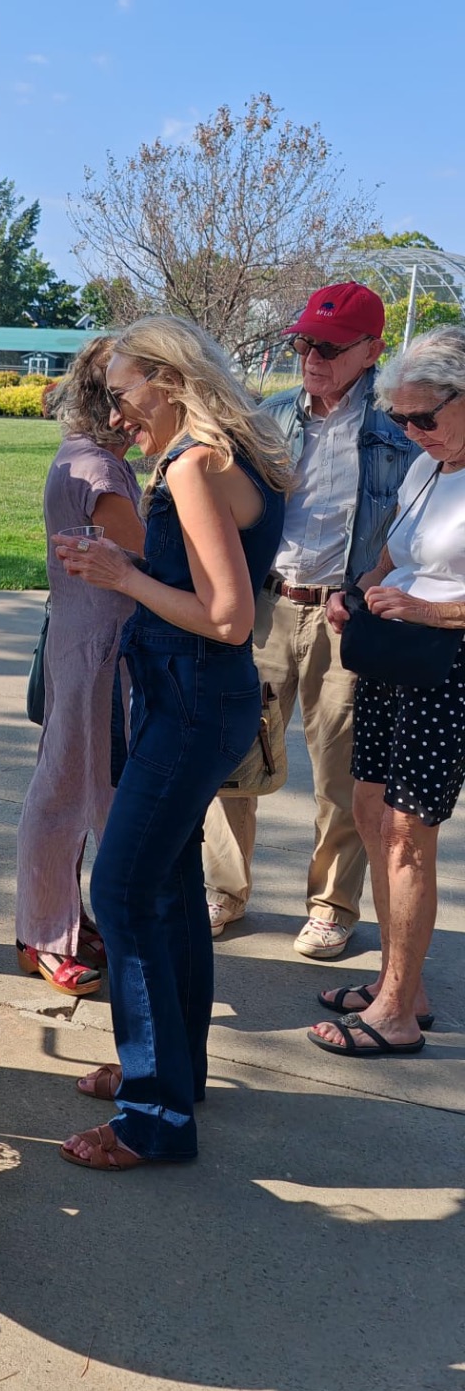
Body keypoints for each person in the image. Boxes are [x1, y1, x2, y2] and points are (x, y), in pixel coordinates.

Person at [50, 317, 291, 1171]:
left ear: (166, 375)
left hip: (191, 696)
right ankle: (171, 1072)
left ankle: (153, 1116)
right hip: (196, 700)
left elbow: (228, 619)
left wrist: (123, 575)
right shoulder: (239, 451)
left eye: (123, 395)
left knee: (118, 892)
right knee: (169, 883)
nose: (118, 417)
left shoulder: (194, 463)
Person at [203, 283, 415, 958]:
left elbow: (412, 530)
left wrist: (370, 590)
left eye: (327, 346)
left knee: (340, 772)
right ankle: (224, 891)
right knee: (234, 754)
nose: (310, 357)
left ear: (372, 351)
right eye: (301, 342)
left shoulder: (396, 430)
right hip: (265, 604)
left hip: (343, 617)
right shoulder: (267, 417)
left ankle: (332, 905)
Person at [309, 328, 465, 1058]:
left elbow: (438, 592)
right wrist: (361, 591)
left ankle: (397, 1014)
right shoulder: (431, 466)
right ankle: (401, 984)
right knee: (371, 812)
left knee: (408, 835)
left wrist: (430, 610)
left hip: (444, 668)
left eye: (424, 418)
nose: (410, 432)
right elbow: (395, 551)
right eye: (401, 419)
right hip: (393, 656)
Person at [15, 337, 143, 996]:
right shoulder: (99, 473)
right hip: (98, 652)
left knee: (72, 785)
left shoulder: (89, 461)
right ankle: (44, 933)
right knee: (72, 794)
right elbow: (154, 562)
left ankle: (57, 919)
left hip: (88, 642)